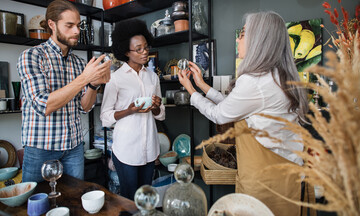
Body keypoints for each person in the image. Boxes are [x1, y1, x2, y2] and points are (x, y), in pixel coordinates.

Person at [178, 11, 310, 215]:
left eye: (243, 34)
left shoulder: (255, 80)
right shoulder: (276, 75)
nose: (238, 38)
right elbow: (235, 108)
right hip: (285, 175)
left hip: (264, 182)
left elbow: (220, 115)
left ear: (259, 40)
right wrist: (203, 86)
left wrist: (191, 90)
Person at [17, 0, 111, 183]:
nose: (77, 31)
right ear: (52, 25)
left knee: (73, 202)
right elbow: (43, 105)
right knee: (37, 205)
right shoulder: (32, 56)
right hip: (40, 148)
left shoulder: (78, 63)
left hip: (74, 147)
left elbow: (84, 108)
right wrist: (84, 79)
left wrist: (93, 85)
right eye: (69, 25)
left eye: (78, 25)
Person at [100, 18, 165, 200]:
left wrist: (156, 106)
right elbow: (105, 117)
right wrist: (129, 110)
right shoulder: (115, 78)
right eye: (138, 49)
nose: (145, 52)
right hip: (126, 150)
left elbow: (160, 115)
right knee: (129, 200)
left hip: (150, 149)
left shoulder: (153, 77)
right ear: (126, 52)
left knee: (146, 199)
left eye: (146, 47)